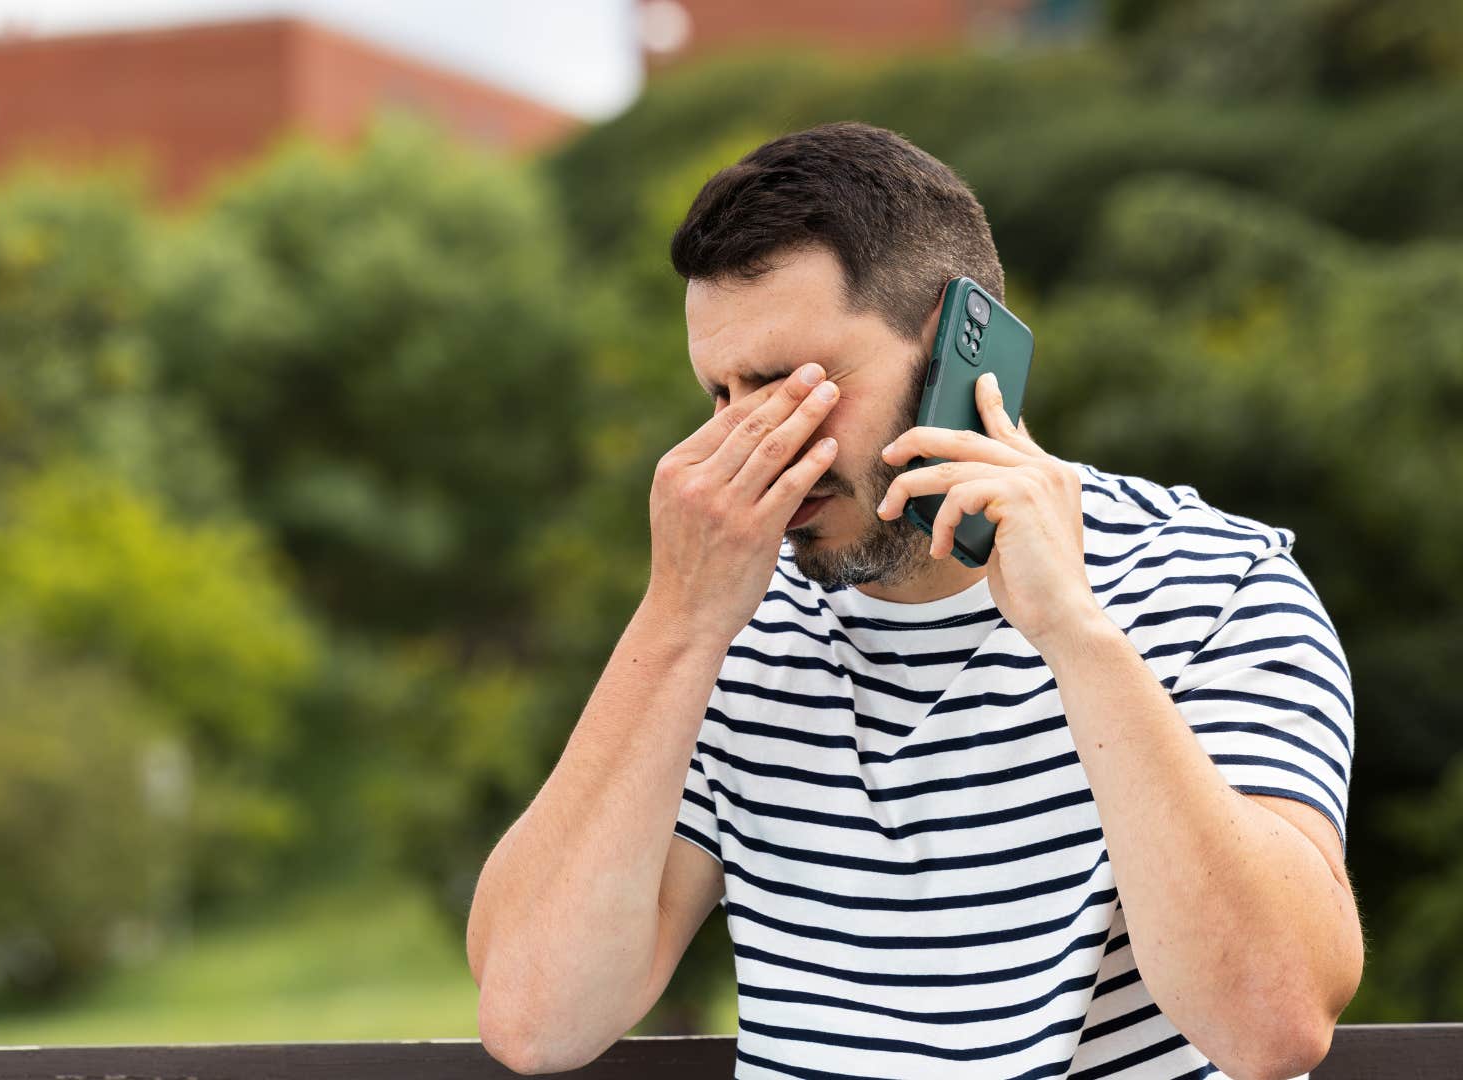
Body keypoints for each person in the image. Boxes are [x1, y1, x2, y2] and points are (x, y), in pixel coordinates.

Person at [463, 121, 1361, 1080]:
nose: (749, 447)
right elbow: (532, 1018)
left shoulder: (1215, 582)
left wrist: (1076, 635)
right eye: (721, 396)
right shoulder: (724, 625)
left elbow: (1275, 1019)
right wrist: (677, 624)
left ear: (956, 357)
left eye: (789, 386)